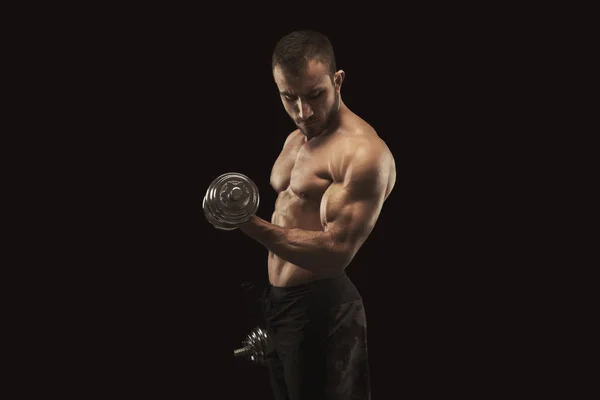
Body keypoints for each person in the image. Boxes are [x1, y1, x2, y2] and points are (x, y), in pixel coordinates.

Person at [236, 30, 396, 400]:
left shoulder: (362, 153)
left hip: (325, 309)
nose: (302, 112)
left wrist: (247, 223)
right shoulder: (296, 139)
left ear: (337, 81)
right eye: (288, 97)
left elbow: (336, 250)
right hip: (281, 306)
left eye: (314, 95)